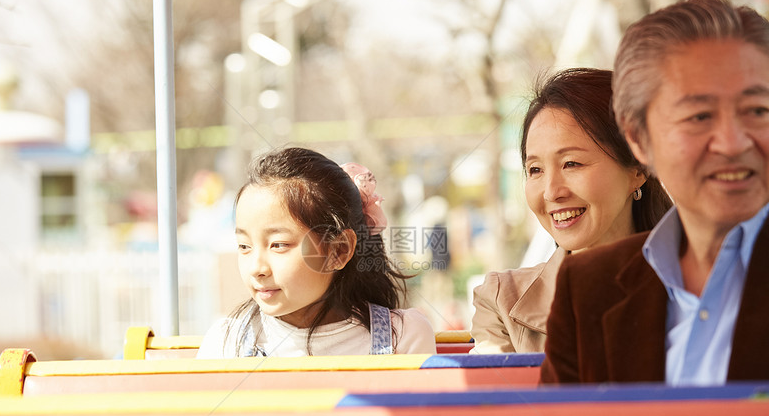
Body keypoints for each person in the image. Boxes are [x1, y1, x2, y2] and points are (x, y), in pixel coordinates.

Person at [541, 0, 769, 385]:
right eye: (699, 116)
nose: (733, 143)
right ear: (639, 140)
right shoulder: (589, 288)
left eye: (757, 111)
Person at [470, 68, 671, 353]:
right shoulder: (502, 299)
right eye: (535, 169)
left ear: (638, 169)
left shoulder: (700, 285)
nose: (552, 191)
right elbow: (496, 396)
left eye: (571, 164)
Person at [197, 147, 436, 358]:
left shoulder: (401, 337)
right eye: (244, 246)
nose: (256, 269)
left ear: (339, 251)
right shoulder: (227, 344)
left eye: (278, 245)